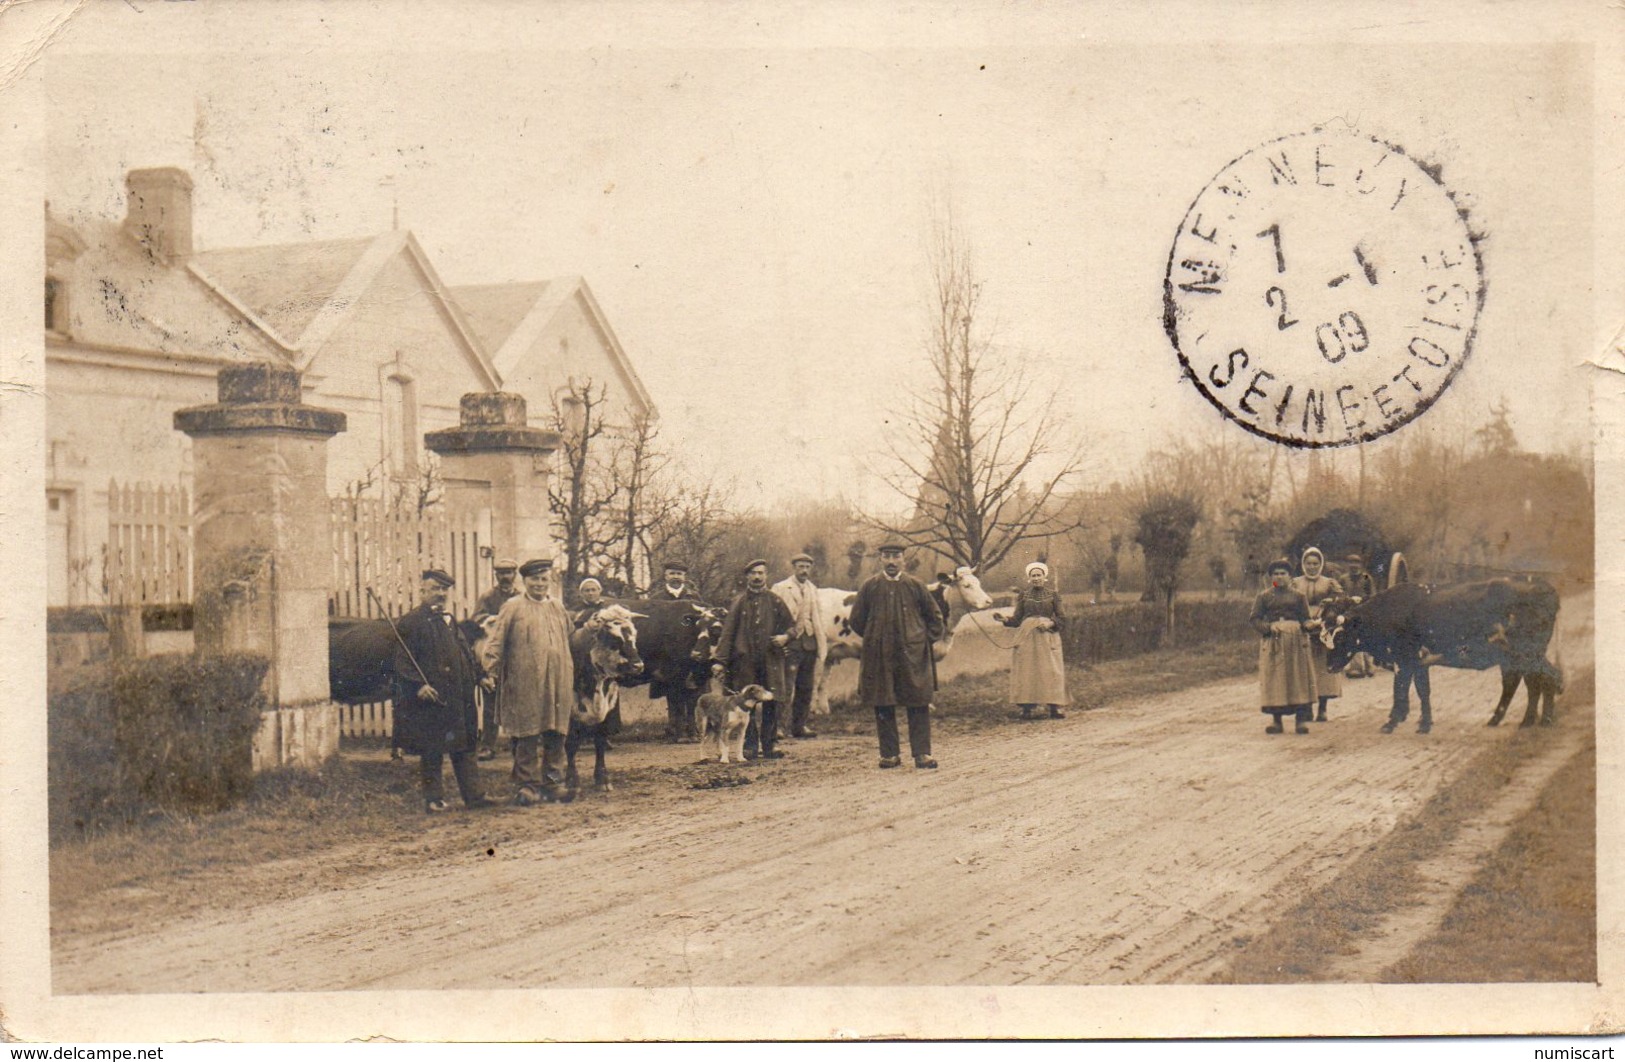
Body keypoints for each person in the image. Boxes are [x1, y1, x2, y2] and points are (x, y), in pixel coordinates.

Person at [390, 568, 492, 813]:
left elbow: (464, 654)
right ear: (422, 590)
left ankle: (474, 797)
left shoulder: (449, 619)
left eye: (444, 589)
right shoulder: (411, 622)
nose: (440, 593)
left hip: (459, 695)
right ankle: (433, 799)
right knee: (432, 749)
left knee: (465, 745)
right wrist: (418, 685)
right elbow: (401, 660)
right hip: (433, 697)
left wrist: (480, 677)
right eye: (435, 588)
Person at [481, 557, 576, 805]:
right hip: (524, 681)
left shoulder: (557, 607)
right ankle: (528, 786)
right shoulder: (513, 607)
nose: (540, 584)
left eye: (544, 579)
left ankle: (554, 784)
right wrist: (489, 671)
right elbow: (496, 640)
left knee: (556, 732)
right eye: (535, 579)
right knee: (527, 734)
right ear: (525, 581)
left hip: (557, 681)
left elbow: (570, 636)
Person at [848, 542, 945, 769]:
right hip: (880, 656)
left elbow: (935, 618)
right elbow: (856, 620)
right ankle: (889, 754)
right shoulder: (870, 586)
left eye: (896, 556)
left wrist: (920, 641)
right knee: (883, 702)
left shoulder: (915, 585)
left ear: (904, 559)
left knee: (918, 701)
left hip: (912, 655)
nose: (891, 561)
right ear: (880, 559)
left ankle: (922, 754)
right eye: (887, 556)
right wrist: (875, 638)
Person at [717, 559, 795, 760]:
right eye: (753, 573)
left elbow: (792, 627)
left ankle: (770, 746)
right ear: (747, 576)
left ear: (766, 575)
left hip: (771, 661)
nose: (757, 577)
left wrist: (785, 637)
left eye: (761, 573)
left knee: (771, 702)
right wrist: (720, 661)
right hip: (745, 662)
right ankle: (750, 746)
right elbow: (727, 633)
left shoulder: (776, 601)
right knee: (745, 704)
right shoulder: (739, 602)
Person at [992, 561, 1070, 720]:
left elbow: (1062, 618)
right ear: (1029, 578)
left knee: (1051, 670)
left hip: (1047, 636)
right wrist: (1004, 619)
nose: (1036, 578)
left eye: (1039, 575)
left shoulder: (1053, 595)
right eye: (1033, 576)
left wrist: (1049, 623)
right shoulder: (1024, 595)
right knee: (1026, 671)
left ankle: (1055, 707)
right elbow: (1016, 619)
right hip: (1026, 637)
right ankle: (1026, 709)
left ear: (1044, 576)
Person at [1250, 558, 1316, 735]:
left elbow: (1305, 618)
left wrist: (1309, 625)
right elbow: (1254, 619)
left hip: (1295, 640)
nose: (1279, 577)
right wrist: (1267, 628)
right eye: (1276, 574)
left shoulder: (1299, 596)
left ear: (1290, 576)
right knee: (1276, 679)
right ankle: (1276, 721)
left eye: (1283, 573)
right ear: (1271, 577)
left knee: (1298, 678)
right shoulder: (1264, 596)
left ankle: (1301, 720)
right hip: (1274, 641)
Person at [772, 552, 828, 740]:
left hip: (809, 642)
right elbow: (775, 616)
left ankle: (800, 725)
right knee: (786, 686)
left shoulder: (812, 589)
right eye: (800, 567)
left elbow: (817, 616)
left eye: (807, 567)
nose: (804, 570)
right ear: (793, 567)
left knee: (806, 686)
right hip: (791, 642)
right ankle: (778, 726)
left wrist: (820, 642)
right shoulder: (780, 587)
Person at [470, 557, 521, 760]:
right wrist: (493, 620)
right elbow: (477, 619)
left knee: (517, 700)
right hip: (493, 654)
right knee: (490, 701)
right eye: (501, 573)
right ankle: (488, 745)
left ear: (514, 575)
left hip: (516, 655)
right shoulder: (488, 597)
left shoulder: (520, 597)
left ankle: (517, 743)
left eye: (508, 573)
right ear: (496, 575)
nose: (505, 577)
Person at [1291, 547, 1342, 722]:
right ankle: (1307, 708)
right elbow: (1281, 593)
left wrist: (1330, 607)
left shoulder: (1329, 583)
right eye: (1308, 563)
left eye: (1315, 563)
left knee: (1322, 671)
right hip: (1302, 628)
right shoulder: (1295, 583)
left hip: (1322, 628)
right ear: (1303, 564)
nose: (1312, 567)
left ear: (1320, 565)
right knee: (1304, 669)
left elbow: (1341, 601)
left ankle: (1323, 708)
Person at [1341, 553, 1377, 678]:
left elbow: (1373, 596)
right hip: (1349, 612)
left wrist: (1362, 600)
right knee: (1351, 637)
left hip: (1364, 611)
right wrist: (1349, 600)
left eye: (1356, 563)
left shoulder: (1367, 578)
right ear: (1347, 565)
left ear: (1360, 565)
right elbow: (1340, 595)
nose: (1354, 566)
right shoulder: (1343, 579)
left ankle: (1369, 666)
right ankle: (1356, 668)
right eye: (1351, 563)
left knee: (1365, 636)